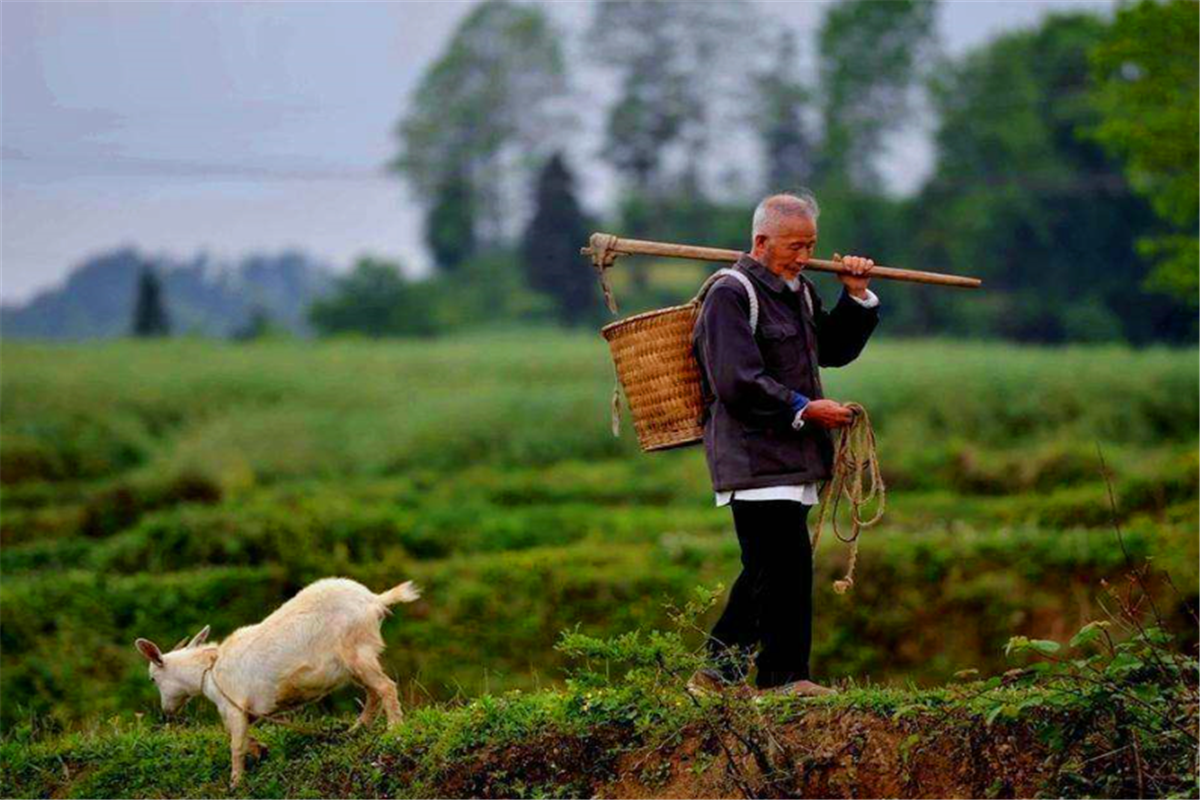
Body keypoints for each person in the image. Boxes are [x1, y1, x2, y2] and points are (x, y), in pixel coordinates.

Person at [689, 191, 879, 696]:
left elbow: (832, 351)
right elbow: (735, 380)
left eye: (810, 245)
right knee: (783, 568)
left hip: (794, 457)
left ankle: (717, 674)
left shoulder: (800, 290)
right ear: (761, 241)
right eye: (794, 246)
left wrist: (856, 296)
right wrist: (804, 407)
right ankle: (784, 679)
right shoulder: (730, 294)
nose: (803, 256)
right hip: (753, 456)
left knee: (771, 570)